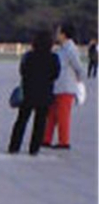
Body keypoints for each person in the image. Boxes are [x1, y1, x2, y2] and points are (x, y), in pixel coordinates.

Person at [7, 29, 60, 155]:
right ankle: (34, 148)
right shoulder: (54, 58)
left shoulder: (29, 56)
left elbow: (22, 71)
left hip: (28, 92)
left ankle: (14, 146)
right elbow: (55, 74)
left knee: (22, 120)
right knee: (40, 122)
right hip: (45, 92)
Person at [42, 21, 84, 150]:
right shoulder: (61, 49)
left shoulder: (71, 49)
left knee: (63, 115)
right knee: (51, 115)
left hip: (66, 87)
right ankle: (46, 139)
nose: (56, 34)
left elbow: (78, 67)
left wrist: (79, 80)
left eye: (59, 32)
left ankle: (64, 141)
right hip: (56, 86)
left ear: (64, 34)